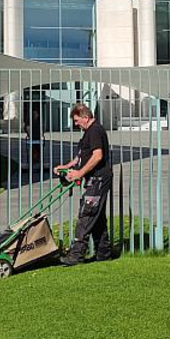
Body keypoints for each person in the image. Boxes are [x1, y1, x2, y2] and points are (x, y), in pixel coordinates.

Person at [54, 103, 113, 265]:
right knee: (97, 217)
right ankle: (103, 254)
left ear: (86, 118)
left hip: (98, 179)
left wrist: (80, 173)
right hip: (94, 179)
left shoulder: (95, 131)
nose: (75, 124)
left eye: (77, 120)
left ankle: (76, 255)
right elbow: (82, 157)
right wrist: (66, 167)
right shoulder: (88, 132)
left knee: (86, 215)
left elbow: (97, 156)